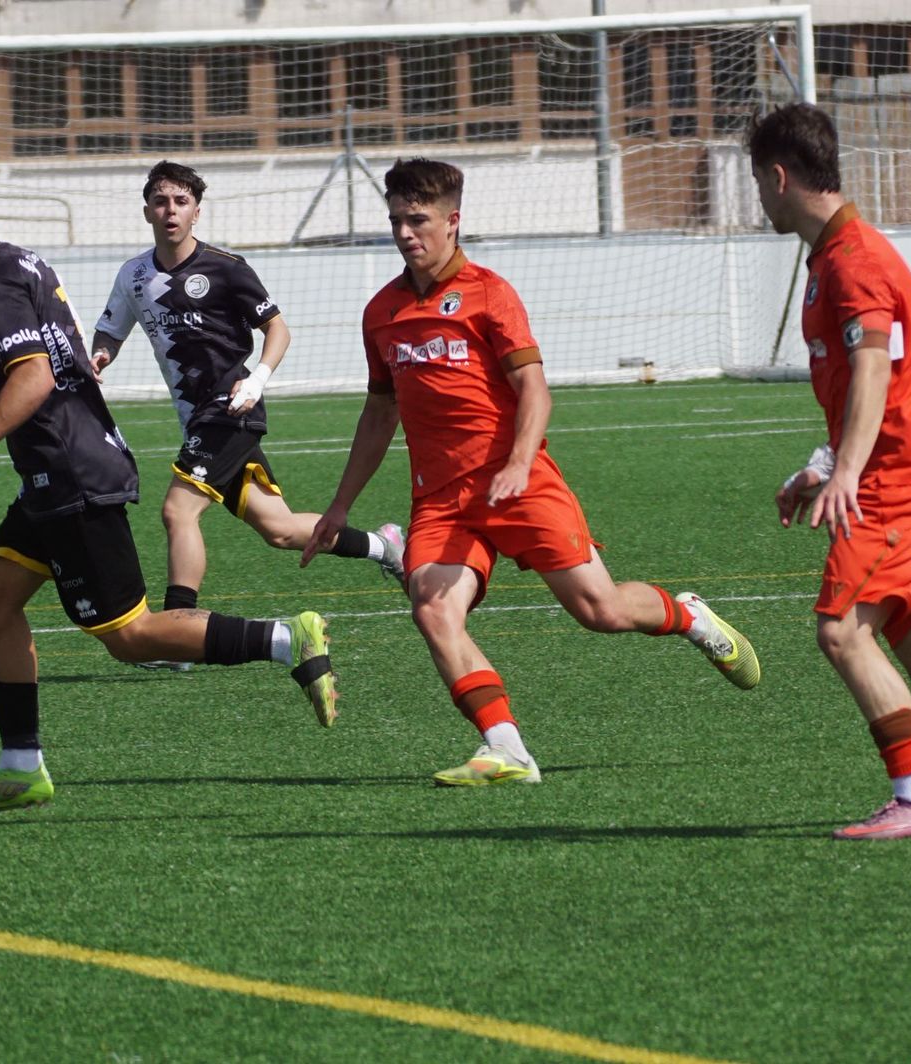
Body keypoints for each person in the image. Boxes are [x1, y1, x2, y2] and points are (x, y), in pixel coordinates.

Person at [0, 156, 340, 814]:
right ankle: (20, 766)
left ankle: (287, 639)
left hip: (73, 475)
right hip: (60, 467)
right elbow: (67, 368)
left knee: (131, 637)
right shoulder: (21, 266)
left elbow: (38, 379)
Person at [303, 157, 760, 787]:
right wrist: (340, 506)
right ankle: (507, 748)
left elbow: (535, 390)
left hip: (517, 481)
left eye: (419, 220)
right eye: (397, 221)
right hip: (440, 496)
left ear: (452, 221)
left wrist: (519, 462)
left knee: (600, 611)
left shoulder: (491, 293)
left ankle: (690, 616)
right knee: (433, 611)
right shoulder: (382, 312)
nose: (406, 233)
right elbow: (380, 410)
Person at [750, 102, 911, 840]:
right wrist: (824, 466)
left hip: (898, 479)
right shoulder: (832, 260)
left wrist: (847, 473)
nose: (758, 200)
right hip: (901, 468)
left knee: (841, 632)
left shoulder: (856, 263)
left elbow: (871, 368)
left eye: (756, 183)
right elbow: (865, 378)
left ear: (779, 177)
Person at [90, 161, 405, 652]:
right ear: (147, 210)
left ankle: (177, 637)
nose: (170, 210)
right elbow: (111, 327)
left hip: (231, 407)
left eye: (181, 201)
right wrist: (102, 353)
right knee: (279, 529)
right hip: (197, 417)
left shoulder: (226, 267)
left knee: (177, 511)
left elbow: (277, 329)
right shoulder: (133, 275)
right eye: (160, 201)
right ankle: (386, 547)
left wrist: (257, 379)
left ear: (196, 211)